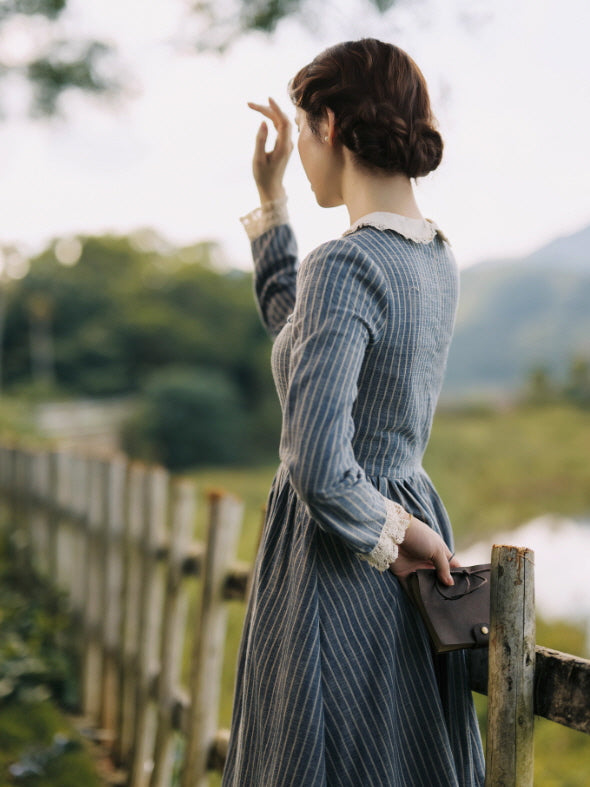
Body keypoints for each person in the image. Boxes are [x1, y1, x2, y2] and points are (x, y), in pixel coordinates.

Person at [223, 38, 485, 786]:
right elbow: (296, 335)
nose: (301, 151)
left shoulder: (345, 262)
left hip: (335, 545)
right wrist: (270, 202)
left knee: (322, 755)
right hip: (398, 522)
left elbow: (317, 466)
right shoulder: (435, 256)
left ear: (329, 126)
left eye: (302, 132)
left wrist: (394, 536)